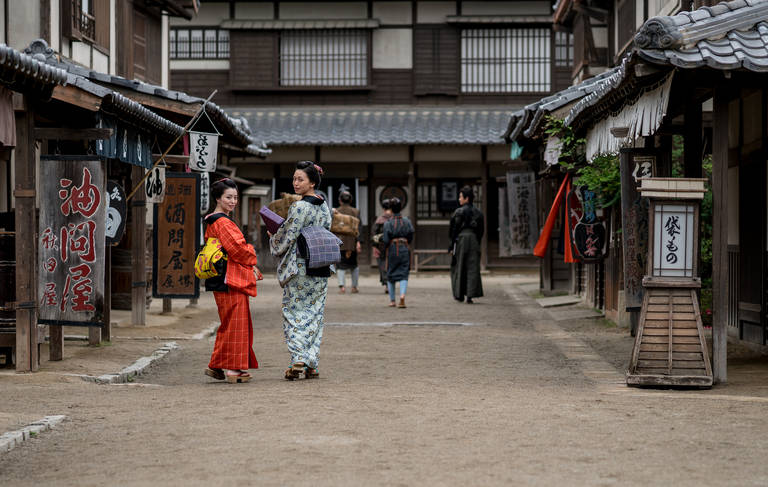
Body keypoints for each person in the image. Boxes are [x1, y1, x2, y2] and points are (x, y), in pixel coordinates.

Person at [269, 161, 331, 380]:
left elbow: (288, 235)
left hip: (301, 265)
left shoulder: (299, 207)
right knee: (315, 313)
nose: (295, 183)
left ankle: (299, 359)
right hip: (321, 264)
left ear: (312, 182)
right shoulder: (324, 206)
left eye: (300, 179)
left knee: (294, 312)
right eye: (294, 179)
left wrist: (274, 237)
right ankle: (312, 361)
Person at [204, 178, 262, 384]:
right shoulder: (222, 222)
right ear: (218, 198)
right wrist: (252, 253)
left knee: (229, 322)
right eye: (229, 197)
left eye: (236, 197)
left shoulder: (213, 220)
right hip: (229, 279)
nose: (233, 201)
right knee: (236, 323)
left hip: (221, 277)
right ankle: (234, 369)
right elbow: (237, 249)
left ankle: (217, 364)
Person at [449, 185, 484, 304]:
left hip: (462, 240)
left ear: (466, 198)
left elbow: (454, 229)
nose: (459, 199)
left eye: (460, 197)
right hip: (473, 240)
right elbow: (481, 231)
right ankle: (470, 295)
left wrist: (452, 243)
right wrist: (477, 241)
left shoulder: (459, 212)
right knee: (472, 267)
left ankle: (459, 294)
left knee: (459, 266)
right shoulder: (478, 212)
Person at [381, 197, 414, 308]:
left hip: (392, 249)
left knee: (391, 273)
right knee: (404, 273)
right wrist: (406, 242)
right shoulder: (407, 221)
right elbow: (411, 235)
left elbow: (385, 239)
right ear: (401, 208)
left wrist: (384, 249)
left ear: (391, 208)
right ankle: (402, 296)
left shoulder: (388, 223)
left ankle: (392, 300)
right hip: (404, 248)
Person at [334, 190, 361, 294]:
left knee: (340, 266)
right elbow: (360, 228)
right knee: (354, 265)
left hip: (339, 242)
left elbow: (332, 227)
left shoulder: (336, 211)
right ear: (350, 200)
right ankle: (354, 287)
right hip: (352, 242)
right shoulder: (356, 211)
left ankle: (342, 287)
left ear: (340, 200)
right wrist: (358, 242)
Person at [372, 199, 393, 292]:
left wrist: (375, 245)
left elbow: (374, 233)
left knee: (382, 264)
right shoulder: (394, 219)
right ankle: (390, 284)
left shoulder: (379, 220)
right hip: (393, 245)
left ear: (383, 208)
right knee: (391, 264)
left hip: (381, 245)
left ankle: (387, 285)